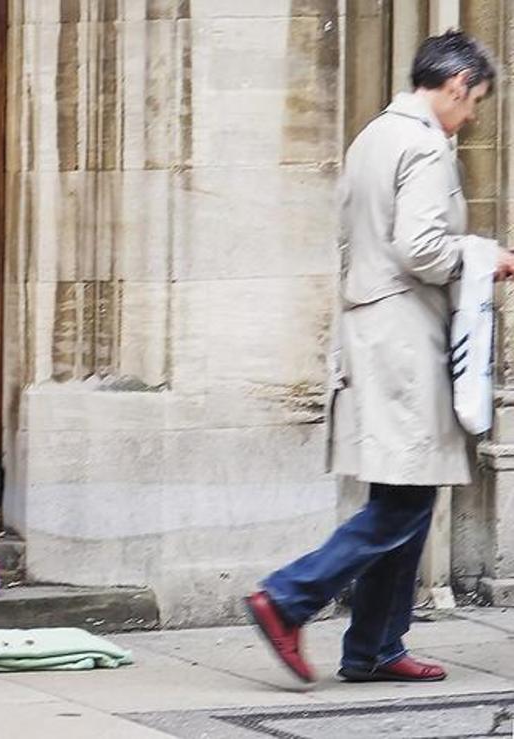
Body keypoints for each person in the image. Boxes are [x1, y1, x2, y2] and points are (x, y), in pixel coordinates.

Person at [246, 30, 514, 683]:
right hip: (406, 337)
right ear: (454, 85)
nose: (472, 114)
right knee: (402, 502)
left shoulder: (373, 137)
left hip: (374, 326)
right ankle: (287, 598)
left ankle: (374, 646)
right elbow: (421, 247)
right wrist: (485, 257)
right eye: (473, 99)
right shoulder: (424, 145)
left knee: (406, 492)